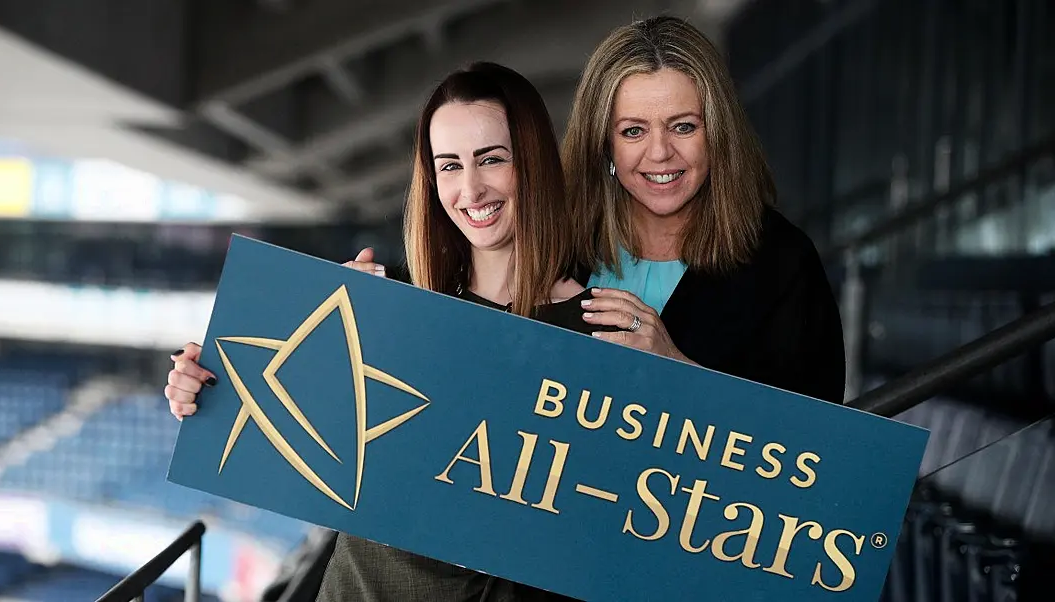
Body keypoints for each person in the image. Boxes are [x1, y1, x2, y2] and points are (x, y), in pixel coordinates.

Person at [165, 61, 601, 601]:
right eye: (448, 166)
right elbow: (291, 431)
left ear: (533, 163)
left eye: (492, 159)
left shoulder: (599, 331)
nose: (470, 188)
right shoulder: (387, 308)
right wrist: (208, 387)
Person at [350, 16, 846, 405]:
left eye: (683, 127)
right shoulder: (554, 233)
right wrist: (369, 305)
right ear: (603, 141)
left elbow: (814, 449)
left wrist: (679, 368)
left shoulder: (781, 263)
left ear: (718, 132)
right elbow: (460, 296)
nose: (659, 154)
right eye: (633, 131)